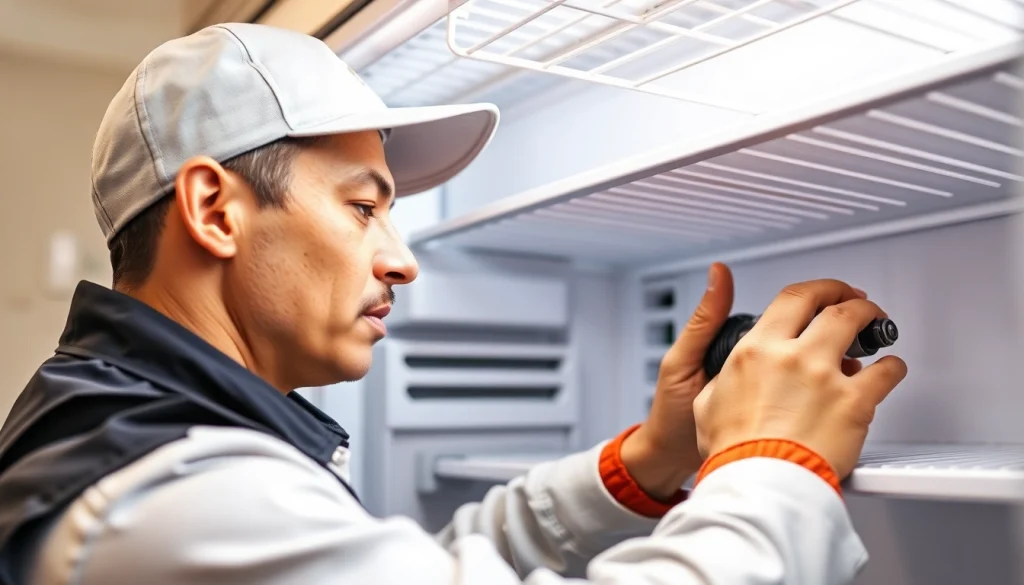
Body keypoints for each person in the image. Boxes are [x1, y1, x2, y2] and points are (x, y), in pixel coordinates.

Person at [0, 23, 907, 585]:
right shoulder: (169, 506)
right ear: (214, 211)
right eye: (363, 208)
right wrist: (775, 461)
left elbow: (421, 565)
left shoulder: (141, 432)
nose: (402, 260)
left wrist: (653, 455)